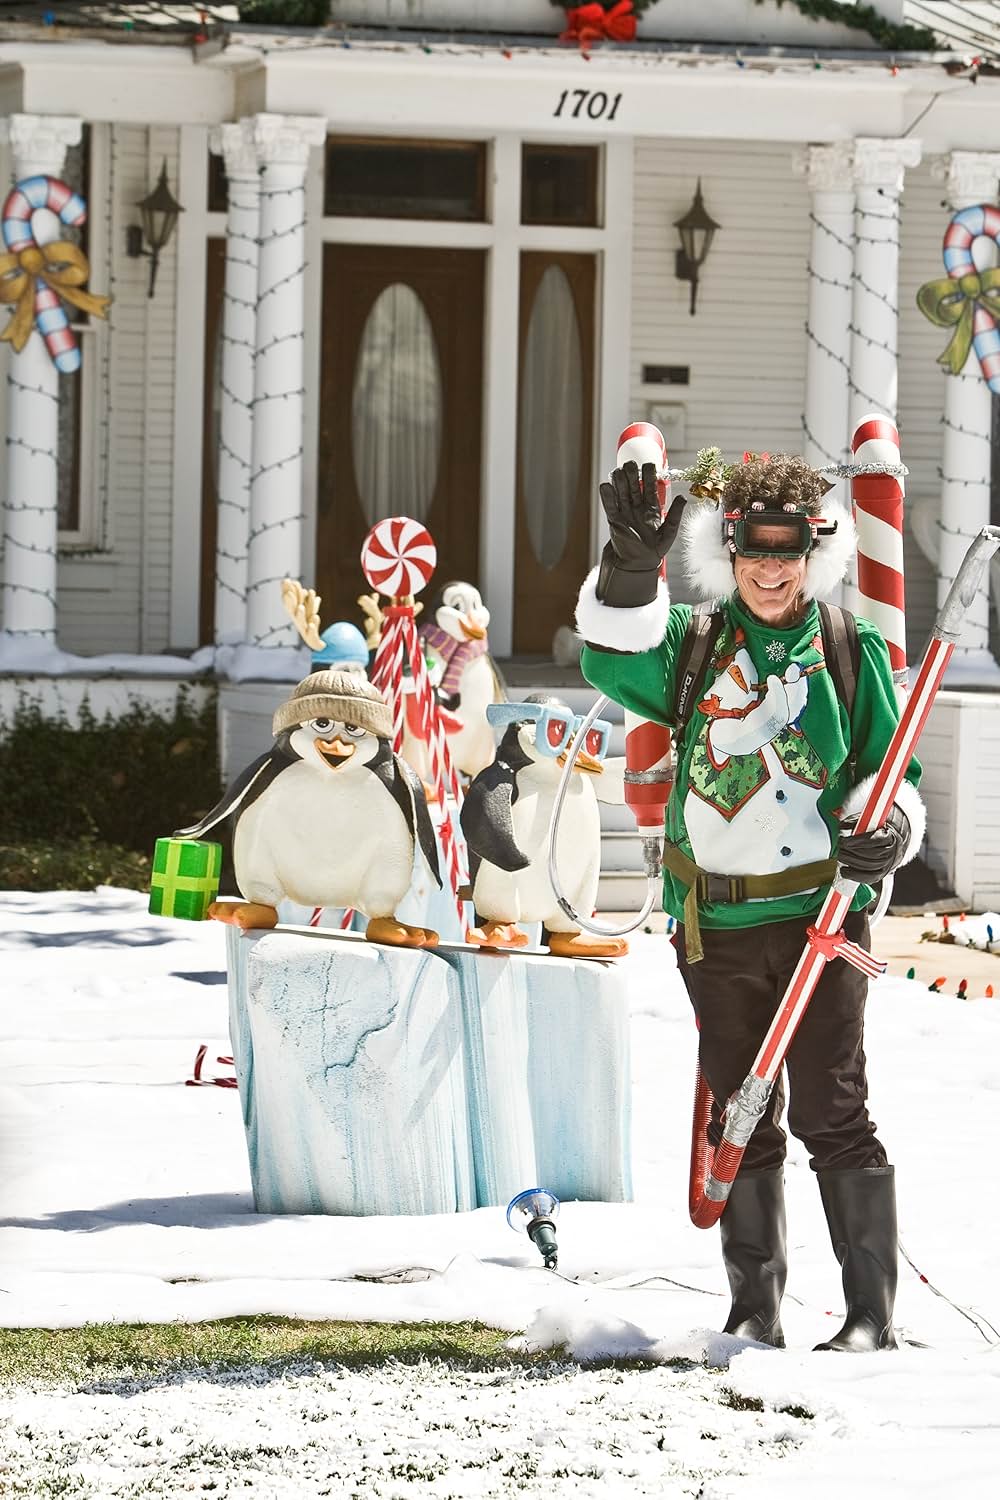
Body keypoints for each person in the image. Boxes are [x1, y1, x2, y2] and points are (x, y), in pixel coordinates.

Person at [575, 453, 925, 1353]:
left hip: (820, 925)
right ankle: (753, 1309)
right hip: (716, 925)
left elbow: (892, 776)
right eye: (753, 553)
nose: (771, 572)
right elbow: (608, 656)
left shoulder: (851, 651)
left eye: (788, 552)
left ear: (813, 552)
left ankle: (869, 1317)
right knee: (741, 1109)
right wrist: (624, 569)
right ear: (729, 552)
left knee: (832, 1111)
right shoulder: (691, 641)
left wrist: (889, 834)